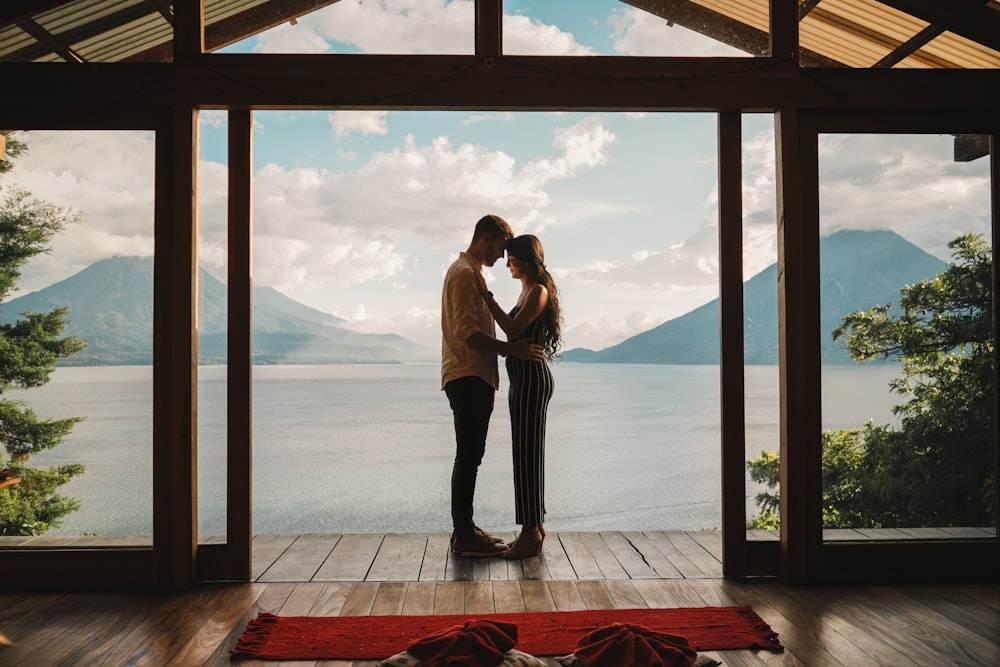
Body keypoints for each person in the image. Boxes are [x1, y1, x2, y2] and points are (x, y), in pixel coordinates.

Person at [442, 214, 545, 558]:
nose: (503, 257)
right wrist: (512, 350)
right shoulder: (464, 274)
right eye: (502, 247)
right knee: (469, 455)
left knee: (471, 455)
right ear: (487, 237)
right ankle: (464, 534)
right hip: (469, 374)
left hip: (475, 375)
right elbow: (467, 333)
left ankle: (466, 529)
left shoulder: (473, 275)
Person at [481, 234, 562, 559]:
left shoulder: (538, 292)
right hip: (523, 380)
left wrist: (488, 301)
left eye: (510, 258)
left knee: (528, 456)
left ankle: (531, 533)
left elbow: (513, 330)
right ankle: (533, 528)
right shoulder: (528, 290)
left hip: (531, 380)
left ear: (524, 260)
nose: (506, 263)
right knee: (524, 454)